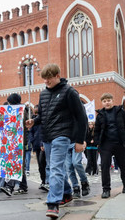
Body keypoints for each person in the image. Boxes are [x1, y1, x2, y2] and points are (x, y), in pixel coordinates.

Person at [26, 63, 88, 218]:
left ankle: (53, 203)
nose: (46, 82)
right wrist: (35, 121)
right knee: (55, 168)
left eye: (49, 79)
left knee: (55, 168)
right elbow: (44, 116)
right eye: (44, 79)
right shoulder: (43, 94)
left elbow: (82, 117)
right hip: (46, 136)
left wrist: (80, 141)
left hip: (63, 135)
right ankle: (67, 192)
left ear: (57, 76)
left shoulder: (69, 92)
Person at [94, 93, 125, 199]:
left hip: (120, 143)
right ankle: (106, 189)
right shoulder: (100, 114)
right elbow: (96, 130)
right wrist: (97, 142)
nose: (107, 102)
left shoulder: (121, 112)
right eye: (104, 101)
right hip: (105, 144)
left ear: (112, 101)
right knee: (105, 166)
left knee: (123, 165)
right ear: (102, 103)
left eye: (108, 100)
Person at [0, 93, 29, 196]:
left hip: (19, 142)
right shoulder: (16, 111)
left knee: (16, 164)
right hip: (14, 141)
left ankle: (10, 187)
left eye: (9, 102)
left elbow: (20, 126)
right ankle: (23, 186)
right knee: (19, 164)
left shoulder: (21, 111)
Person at [65, 101, 90, 199]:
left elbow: (84, 124)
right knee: (69, 167)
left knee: (76, 163)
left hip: (77, 141)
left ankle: (84, 182)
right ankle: (75, 187)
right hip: (66, 141)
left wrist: (83, 139)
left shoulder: (79, 108)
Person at [28, 105, 48, 191]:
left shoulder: (44, 120)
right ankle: (43, 181)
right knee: (40, 165)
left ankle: (47, 182)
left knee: (45, 163)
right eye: (35, 113)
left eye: (37, 112)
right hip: (36, 145)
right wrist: (32, 141)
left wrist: (42, 143)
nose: (36, 114)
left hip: (44, 144)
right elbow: (31, 132)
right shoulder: (34, 121)